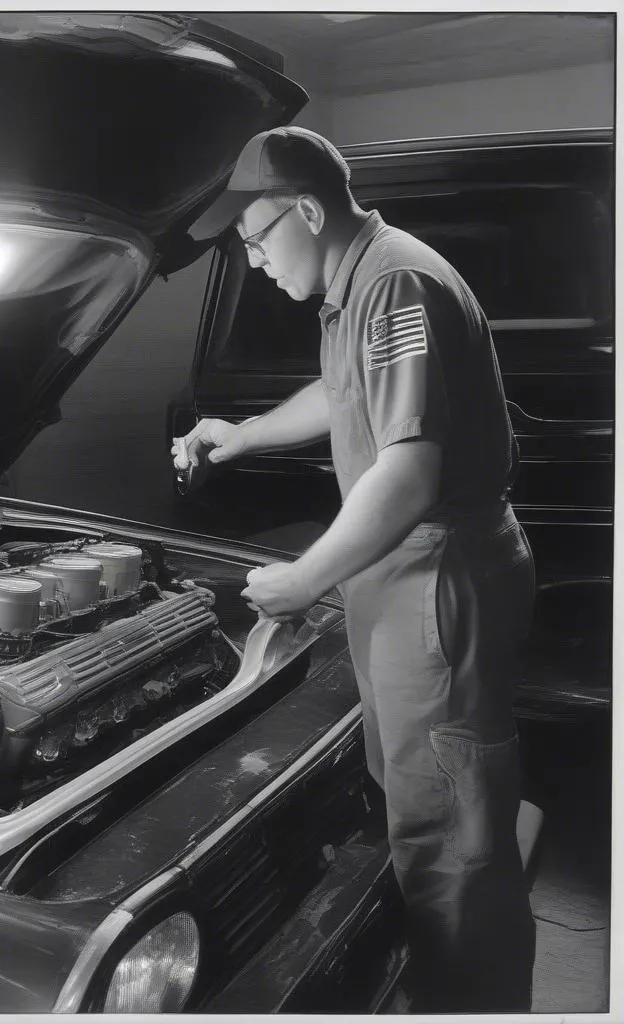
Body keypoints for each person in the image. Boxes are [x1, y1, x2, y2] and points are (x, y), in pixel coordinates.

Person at [177, 126, 536, 1012]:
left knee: (453, 839)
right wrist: (244, 433)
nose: (252, 259)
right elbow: (343, 397)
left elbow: (408, 473)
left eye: (256, 239)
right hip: (401, 583)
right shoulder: (356, 287)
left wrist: (301, 582)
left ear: (305, 209)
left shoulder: (395, 283)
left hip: (434, 585)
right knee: (416, 815)